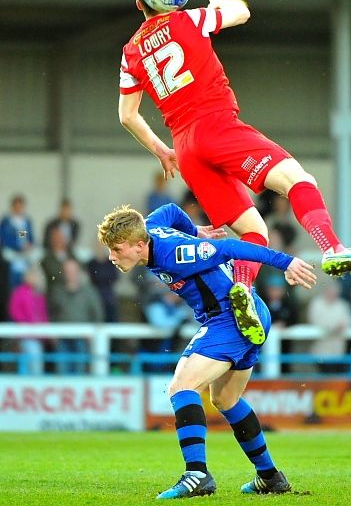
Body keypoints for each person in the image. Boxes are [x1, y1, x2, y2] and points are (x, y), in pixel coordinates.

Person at [118, 0, 351, 346]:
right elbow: (242, 12)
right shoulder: (190, 19)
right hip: (217, 125)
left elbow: (127, 116)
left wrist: (163, 150)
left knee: (251, 231)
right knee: (298, 179)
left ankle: (241, 287)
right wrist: (223, 1)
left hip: (185, 145)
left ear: (140, 4)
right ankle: (332, 248)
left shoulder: (131, 51)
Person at [97, 202, 316, 498]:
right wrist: (194, 230)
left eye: (117, 249)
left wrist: (286, 262)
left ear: (139, 245)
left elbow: (230, 248)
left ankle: (197, 473)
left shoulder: (176, 255)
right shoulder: (148, 226)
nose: (112, 256)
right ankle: (270, 476)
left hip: (232, 317)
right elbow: (171, 210)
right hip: (251, 311)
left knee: (181, 386)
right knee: (226, 398)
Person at [49, 258, 104, 374]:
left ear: (78, 272)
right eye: (68, 271)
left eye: (73, 271)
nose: (70, 274)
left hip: (82, 337)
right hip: (62, 337)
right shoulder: (57, 291)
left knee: (79, 371)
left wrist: (92, 332)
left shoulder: (89, 291)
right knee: (62, 371)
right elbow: (51, 313)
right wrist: (52, 332)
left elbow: (98, 313)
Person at [8, 265, 49, 375]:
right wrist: (26, 323)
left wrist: (45, 329)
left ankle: (34, 386)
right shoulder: (20, 292)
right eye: (32, 275)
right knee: (31, 362)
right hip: (25, 334)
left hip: (38, 335)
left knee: (36, 362)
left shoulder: (39, 294)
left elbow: (43, 313)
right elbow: (14, 310)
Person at [307, 278, 351, 375]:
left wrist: (339, 326)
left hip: (338, 350)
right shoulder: (316, 304)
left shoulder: (342, 305)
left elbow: (348, 321)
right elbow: (316, 322)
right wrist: (334, 327)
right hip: (321, 351)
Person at [0, 194, 36, 289]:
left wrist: (29, 244)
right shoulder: (7, 222)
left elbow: (28, 237)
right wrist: (18, 246)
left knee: (26, 282)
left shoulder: (26, 221)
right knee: (12, 284)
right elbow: (4, 239)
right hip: (11, 257)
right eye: (17, 206)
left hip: (24, 258)